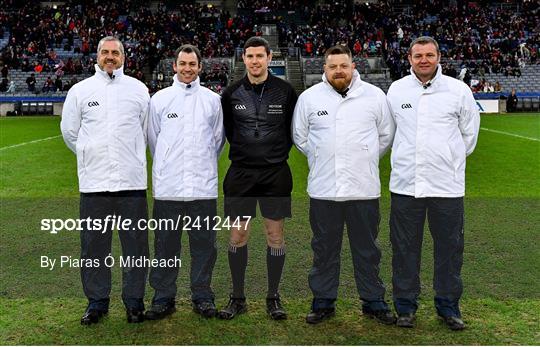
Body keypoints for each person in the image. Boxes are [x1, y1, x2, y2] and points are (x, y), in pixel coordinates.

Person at [292, 45, 396, 325]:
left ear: (353, 67)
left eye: (343, 66)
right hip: (324, 190)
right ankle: (323, 302)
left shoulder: (374, 97)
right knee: (324, 249)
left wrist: (363, 157)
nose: (338, 70)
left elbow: (385, 136)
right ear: (324, 69)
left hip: (363, 189)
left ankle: (373, 301)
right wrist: (322, 156)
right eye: (332, 66)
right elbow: (301, 138)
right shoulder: (309, 98)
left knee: (367, 250)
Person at [386, 36, 480, 331]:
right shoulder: (396, 89)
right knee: (404, 248)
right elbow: (388, 133)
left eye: (429, 55)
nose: (423, 60)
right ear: (409, 58)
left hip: (446, 187)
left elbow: (469, 136)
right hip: (405, 185)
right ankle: (405, 307)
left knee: (449, 249)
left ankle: (448, 307)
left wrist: (446, 159)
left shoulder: (458, 90)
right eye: (418, 55)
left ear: (439, 56)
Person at [60, 36, 150, 325]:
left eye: (115, 52)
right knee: (94, 247)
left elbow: (147, 132)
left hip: (131, 184)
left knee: (135, 247)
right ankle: (97, 302)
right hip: (94, 184)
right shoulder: (80, 90)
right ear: (96, 56)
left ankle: (134, 302)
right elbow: (70, 133)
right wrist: (90, 154)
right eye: (105, 52)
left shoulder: (138, 89)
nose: (110, 56)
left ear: (124, 57)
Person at [218, 36, 298, 320]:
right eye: (249, 56)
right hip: (241, 174)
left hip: (275, 173)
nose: (254, 61)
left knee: (274, 234)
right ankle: (237, 297)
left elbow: (292, 131)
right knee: (238, 235)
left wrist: (273, 155)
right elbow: (229, 131)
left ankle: (273, 297)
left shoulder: (286, 91)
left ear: (269, 57)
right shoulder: (230, 94)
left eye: (259, 56)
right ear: (244, 59)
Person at [145, 44, 225, 320]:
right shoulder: (159, 100)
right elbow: (154, 140)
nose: (188, 68)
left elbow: (217, 141)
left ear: (200, 67)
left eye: (193, 64)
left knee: (205, 245)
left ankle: (202, 295)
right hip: (168, 189)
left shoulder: (212, 100)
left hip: (202, 189)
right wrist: (168, 163)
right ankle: (163, 297)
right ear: (175, 66)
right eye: (183, 63)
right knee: (166, 245)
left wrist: (199, 166)